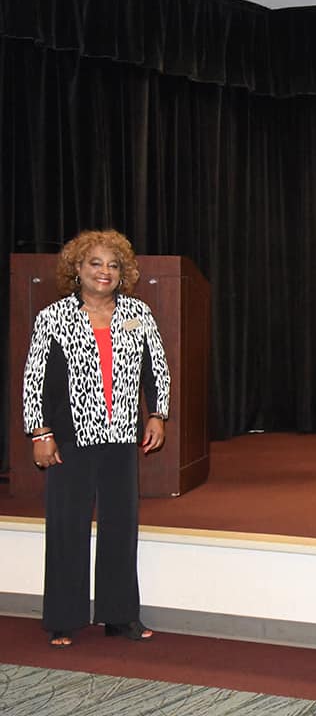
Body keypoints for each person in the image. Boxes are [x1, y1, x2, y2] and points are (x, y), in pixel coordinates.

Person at [22, 230, 171, 648]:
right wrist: (41, 432)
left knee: (120, 527)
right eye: (95, 264)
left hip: (121, 437)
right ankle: (63, 618)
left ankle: (120, 615)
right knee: (67, 527)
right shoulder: (53, 317)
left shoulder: (138, 313)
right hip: (69, 439)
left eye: (113, 265)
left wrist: (158, 414)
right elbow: (34, 379)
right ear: (77, 269)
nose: (105, 272)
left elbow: (156, 369)